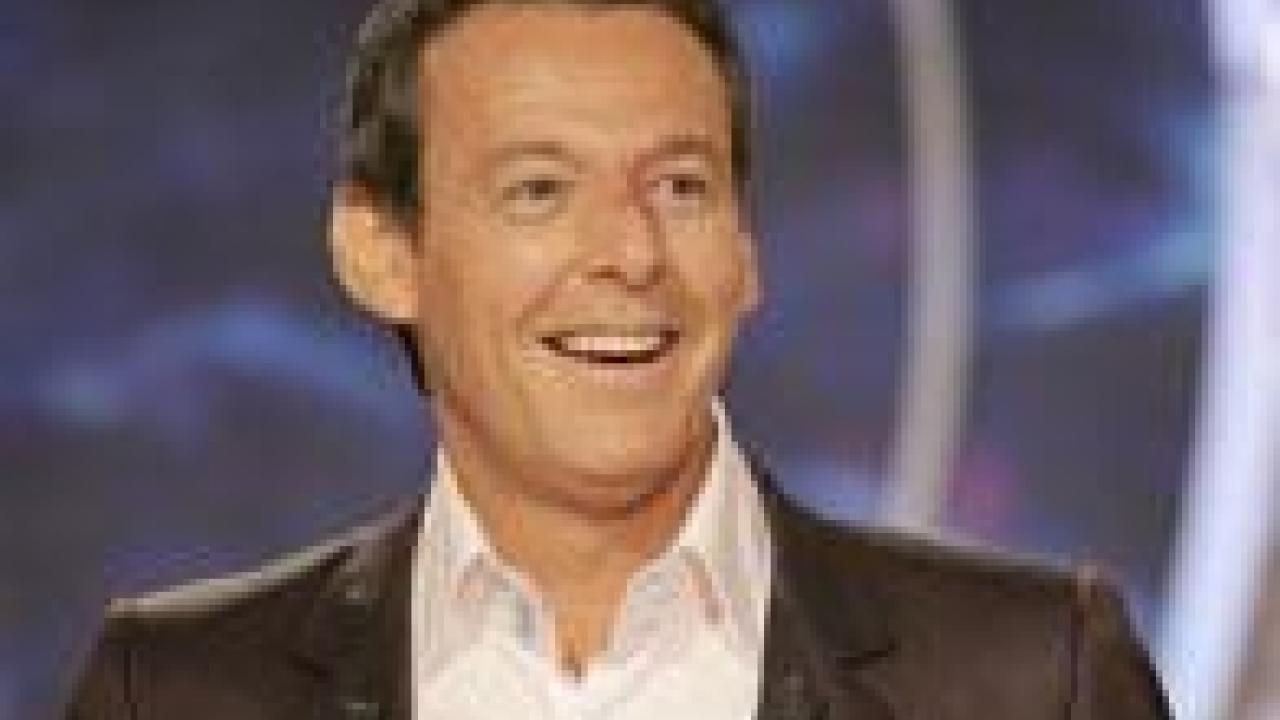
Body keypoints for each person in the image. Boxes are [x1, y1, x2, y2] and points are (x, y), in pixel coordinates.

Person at [64, 0, 1171, 718]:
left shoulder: (1035, 676)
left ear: (743, 252)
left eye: (680, 188)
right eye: (539, 191)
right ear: (382, 254)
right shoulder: (174, 690)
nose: (631, 252)